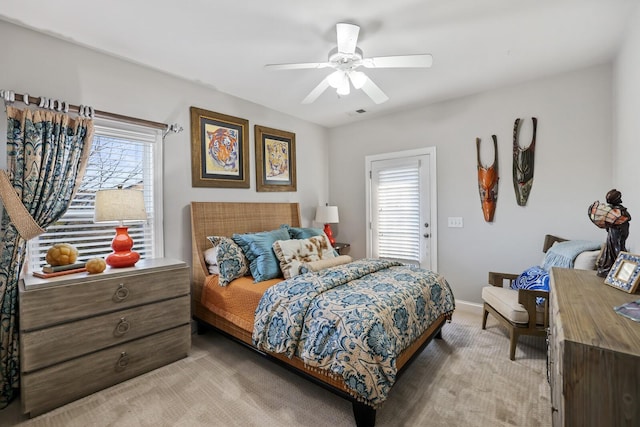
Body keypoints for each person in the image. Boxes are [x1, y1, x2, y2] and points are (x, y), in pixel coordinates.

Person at [589, 189, 631, 277]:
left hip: (618, 231)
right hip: (616, 232)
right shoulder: (616, 211)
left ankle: (615, 267)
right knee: (616, 248)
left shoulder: (614, 210)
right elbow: (626, 217)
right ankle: (615, 268)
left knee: (615, 247)